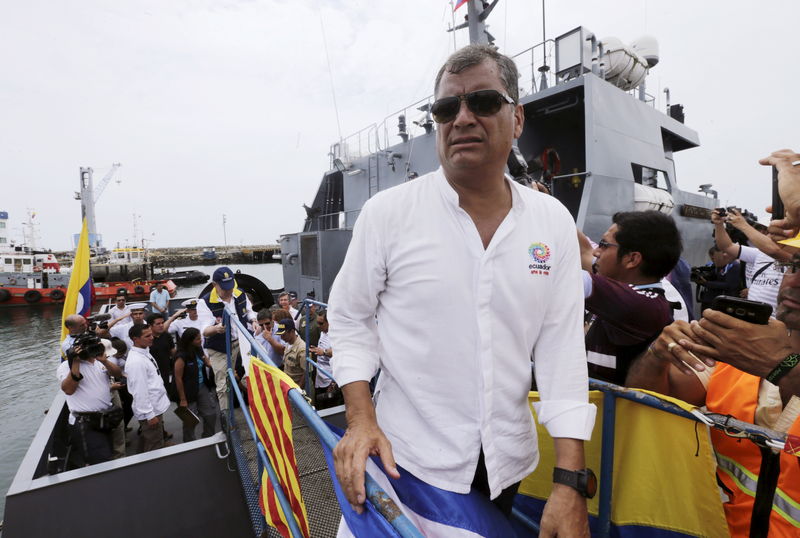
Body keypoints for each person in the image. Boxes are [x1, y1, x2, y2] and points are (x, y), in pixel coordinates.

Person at [329, 44, 595, 533]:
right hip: (406, 458)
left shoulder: (551, 222)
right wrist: (360, 419)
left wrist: (570, 481)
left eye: (484, 102)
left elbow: (561, 348)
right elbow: (349, 318)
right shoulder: (389, 215)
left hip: (506, 464)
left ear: (516, 119)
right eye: (447, 108)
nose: (463, 118)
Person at [578, 210, 682, 385]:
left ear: (632, 259)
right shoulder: (618, 283)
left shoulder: (647, 307)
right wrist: (545, 204)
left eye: (604, 244)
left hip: (613, 411)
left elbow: (562, 278)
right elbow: (583, 252)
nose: (597, 252)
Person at [196, 266, 257, 411]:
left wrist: (253, 320)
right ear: (214, 285)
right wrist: (216, 329)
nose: (229, 291)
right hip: (219, 347)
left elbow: (249, 311)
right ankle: (227, 417)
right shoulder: (204, 303)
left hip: (241, 342)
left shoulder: (240, 294)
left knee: (252, 374)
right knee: (223, 384)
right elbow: (204, 330)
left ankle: (255, 406)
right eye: (224, 288)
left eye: (230, 287)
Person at [58, 335, 123, 466]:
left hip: (105, 419)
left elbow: (117, 374)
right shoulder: (66, 367)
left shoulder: (99, 362)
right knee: (101, 461)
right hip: (86, 422)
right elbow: (68, 390)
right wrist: (75, 363)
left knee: (107, 453)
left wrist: (104, 361)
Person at [712, 208, 789, 314]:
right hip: (753, 316)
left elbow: (774, 250)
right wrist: (719, 225)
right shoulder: (759, 253)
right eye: (759, 228)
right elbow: (726, 246)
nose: (763, 232)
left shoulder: (793, 256)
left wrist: (743, 225)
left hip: (779, 324)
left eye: (766, 229)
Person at [125, 324, 171, 453]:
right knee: (155, 446)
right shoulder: (136, 362)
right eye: (147, 336)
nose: (152, 338)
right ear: (135, 339)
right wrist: (150, 415)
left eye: (151, 334)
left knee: (151, 439)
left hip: (155, 406)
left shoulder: (144, 352)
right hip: (150, 411)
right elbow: (139, 391)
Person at [174, 328, 218, 442]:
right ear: (190, 340)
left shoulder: (198, 349)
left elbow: (206, 362)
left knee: (210, 415)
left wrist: (212, 365)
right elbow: (178, 378)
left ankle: (208, 439)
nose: (201, 340)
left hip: (202, 386)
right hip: (188, 392)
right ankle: (190, 443)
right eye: (198, 338)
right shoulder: (181, 356)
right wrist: (183, 399)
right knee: (190, 421)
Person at [695, 245, 742, 312]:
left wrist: (706, 283)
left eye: (714, 258)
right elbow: (712, 277)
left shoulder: (734, 266)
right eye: (711, 259)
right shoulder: (715, 266)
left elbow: (730, 285)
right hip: (710, 300)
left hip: (724, 302)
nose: (713, 261)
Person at [309, 310, 337, 407]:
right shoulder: (323, 332)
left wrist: (323, 352)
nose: (318, 325)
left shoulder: (335, 335)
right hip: (320, 378)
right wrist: (316, 350)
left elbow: (339, 352)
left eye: (321, 323)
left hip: (330, 380)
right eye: (317, 322)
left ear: (329, 322)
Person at [146, 312, 175, 390]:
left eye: (162, 323)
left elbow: (173, 353)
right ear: (150, 326)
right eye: (158, 324)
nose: (161, 325)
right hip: (152, 375)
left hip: (167, 372)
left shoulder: (167, 336)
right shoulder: (146, 339)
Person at [276, 318, 306, 388]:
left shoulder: (302, 349)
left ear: (292, 331)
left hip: (296, 387)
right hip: (288, 384)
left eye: (284, 335)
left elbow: (306, 373)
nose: (281, 337)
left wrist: (299, 388)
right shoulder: (288, 343)